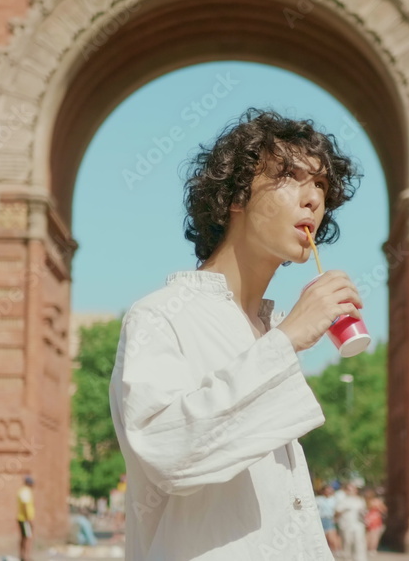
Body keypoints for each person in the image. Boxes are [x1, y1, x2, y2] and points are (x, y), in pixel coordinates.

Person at [108, 108, 361, 560]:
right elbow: (167, 452)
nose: (312, 200)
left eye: (321, 185)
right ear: (235, 196)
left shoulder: (266, 327)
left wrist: (281, 339)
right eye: (289, 176)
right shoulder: (160, 316)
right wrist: (286, 342)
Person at [335, 483, 367, 561]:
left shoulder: (360, 500)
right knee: (347, 542)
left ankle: (360, 558)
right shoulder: (343, 500)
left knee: (359, 541)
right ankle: (347, 557)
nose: (351, 491)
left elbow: (364, 511)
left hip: (358, 523)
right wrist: (344, 510)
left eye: (353, 489)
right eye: (349, 489)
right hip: (346, 524)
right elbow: (337, 512)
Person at [316, 484, 341, 554]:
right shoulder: (318, 499)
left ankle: (336, 551)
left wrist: (336, 518)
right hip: (321, 519)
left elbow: (337, 510)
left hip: (330, 519)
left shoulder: (334, 499)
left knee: (332, 538)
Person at [16, 476, 35, 561]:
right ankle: (25, 556)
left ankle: (23, 555)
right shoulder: (25, 492)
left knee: (24, 537)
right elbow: (25, 506)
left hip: (22, 518)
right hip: (25, 519)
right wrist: (29, 519)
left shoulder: (23, 491)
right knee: (27, 537)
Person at [363, 488, 387, 554]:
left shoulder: (374, 501)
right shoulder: (370, 501)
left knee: (373, 535)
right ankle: (369, 549)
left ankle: (371, 549)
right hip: (371, 519)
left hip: (373, 519)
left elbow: (384, 510)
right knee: (370, 535)